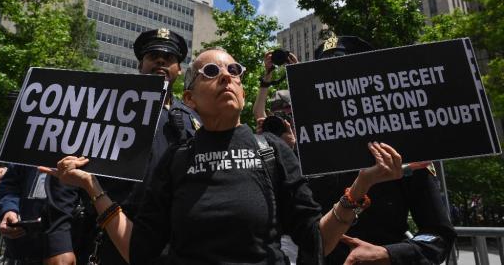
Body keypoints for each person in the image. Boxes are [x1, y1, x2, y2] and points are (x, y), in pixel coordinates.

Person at [44, 47, 406, 264]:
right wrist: (92, 186)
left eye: (234, 71)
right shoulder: (175, 161)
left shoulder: (273, 151)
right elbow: (139, 252)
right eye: (211, 71)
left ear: (243, 92)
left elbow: (316, 242)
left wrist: (362, 184)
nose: (226, 77)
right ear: (189, 99)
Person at [45, 28, 200, 265]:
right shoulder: (106, 108)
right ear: (140, 65)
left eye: (169, 58)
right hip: (108, 234)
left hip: (172, 243)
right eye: (153, 56)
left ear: (179, 69)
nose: (160, 61)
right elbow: (69, 173)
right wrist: (59, 243)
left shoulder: (193, 120)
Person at [306, 36, 456, 265]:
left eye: (344, 74)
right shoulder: (306, 155)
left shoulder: (404, 152)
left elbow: (439, 234)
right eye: (324, 78)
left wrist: (388, 254)